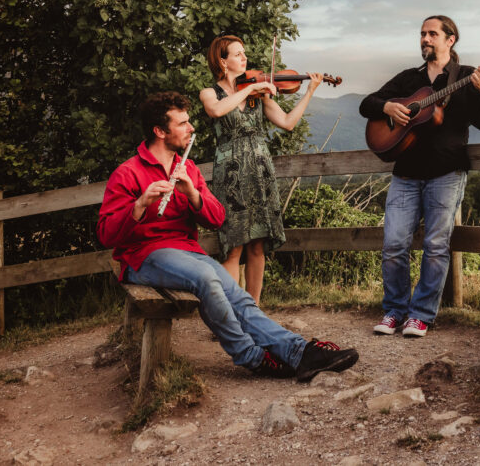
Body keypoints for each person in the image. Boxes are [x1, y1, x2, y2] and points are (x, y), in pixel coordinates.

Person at [97, 91, 358, 381]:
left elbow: (218, 218)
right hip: (143, 257)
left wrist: (193, 194)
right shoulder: (127, 173)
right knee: (207, 279)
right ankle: (253, 357)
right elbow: (107, 235)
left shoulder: (188, 169)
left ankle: (300, 353)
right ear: (160, 131)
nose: (191, 128)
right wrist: (140, 205)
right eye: (183, 123)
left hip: (187, 253)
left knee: (238, 296)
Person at [359, 16, 480, 338]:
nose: (425, 39)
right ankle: (394, 310)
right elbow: (367, 104)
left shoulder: (466, 77)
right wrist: (389, 106)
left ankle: (420, 315)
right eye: (422, 34)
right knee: (393, 244)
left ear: (450, 40)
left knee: (436, 246)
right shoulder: (409, 79)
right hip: (405, 174)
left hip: (446, 173)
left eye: (432, 34)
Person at [199, 36, 324, 306]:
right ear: (223, 61)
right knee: (233, 248)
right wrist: (249, 89)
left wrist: (310, 91)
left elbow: (288, 123)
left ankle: (253, 311)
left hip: (259, 171)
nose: (245, 58)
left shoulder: (258, 94)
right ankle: (232, 314)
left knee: (257, 245)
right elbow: (218, 110)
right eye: (238, 54)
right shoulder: (211, 93)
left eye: (244, 53)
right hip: (230, 175)